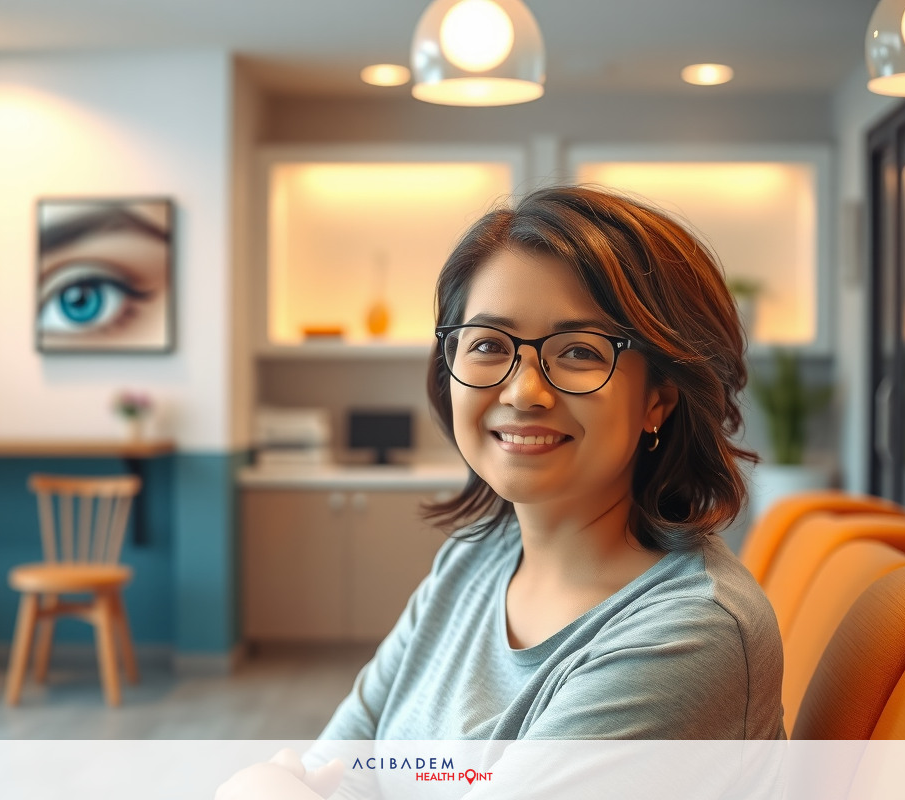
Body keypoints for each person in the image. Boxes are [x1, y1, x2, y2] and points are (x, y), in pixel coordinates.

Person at [217, 185, 785, 799]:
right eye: (488, 344)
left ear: (658, 398)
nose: (523, 392)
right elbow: (341, 764)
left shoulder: (682, 636)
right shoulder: (473, 559)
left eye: (579, 352)